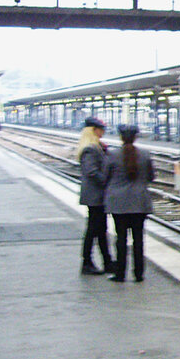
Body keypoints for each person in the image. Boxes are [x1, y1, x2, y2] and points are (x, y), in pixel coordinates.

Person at [105, 124, 154, 282]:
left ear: (120, 137)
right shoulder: (145, 154)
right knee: (138, 239)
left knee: (121, 239)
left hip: (119, 204)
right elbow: (151, 177)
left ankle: (120, 274)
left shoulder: (112, 155)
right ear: (135, 137)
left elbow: (105, 175)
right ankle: (139, 274)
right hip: (140, 202)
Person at [73, 116, 113, 275]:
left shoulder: (96, 146)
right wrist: (105, 180)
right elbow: (91, 171)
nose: (103, 132)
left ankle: (107, 261)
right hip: (94, 196)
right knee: (93, 229)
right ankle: (87, 262)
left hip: (97, 196)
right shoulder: (90, 148)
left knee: (101, 229)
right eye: (100, 129)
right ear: (93, 130)